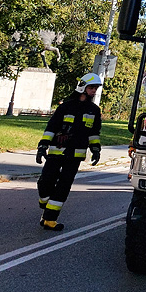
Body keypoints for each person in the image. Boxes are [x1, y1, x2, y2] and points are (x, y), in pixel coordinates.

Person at [36, 73, 103, 231]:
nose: (94, 91)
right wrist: (42, 146)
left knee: (63, 186)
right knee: (46, 181)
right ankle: (45, 203)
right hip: (56, 151)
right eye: (91, 87)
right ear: (83, 87)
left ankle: (50, 220)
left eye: (96, 88)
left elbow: (94, 133)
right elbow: (51, 127)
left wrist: (95, 150)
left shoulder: (94, 110)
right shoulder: (65, 106)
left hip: (75, 155)